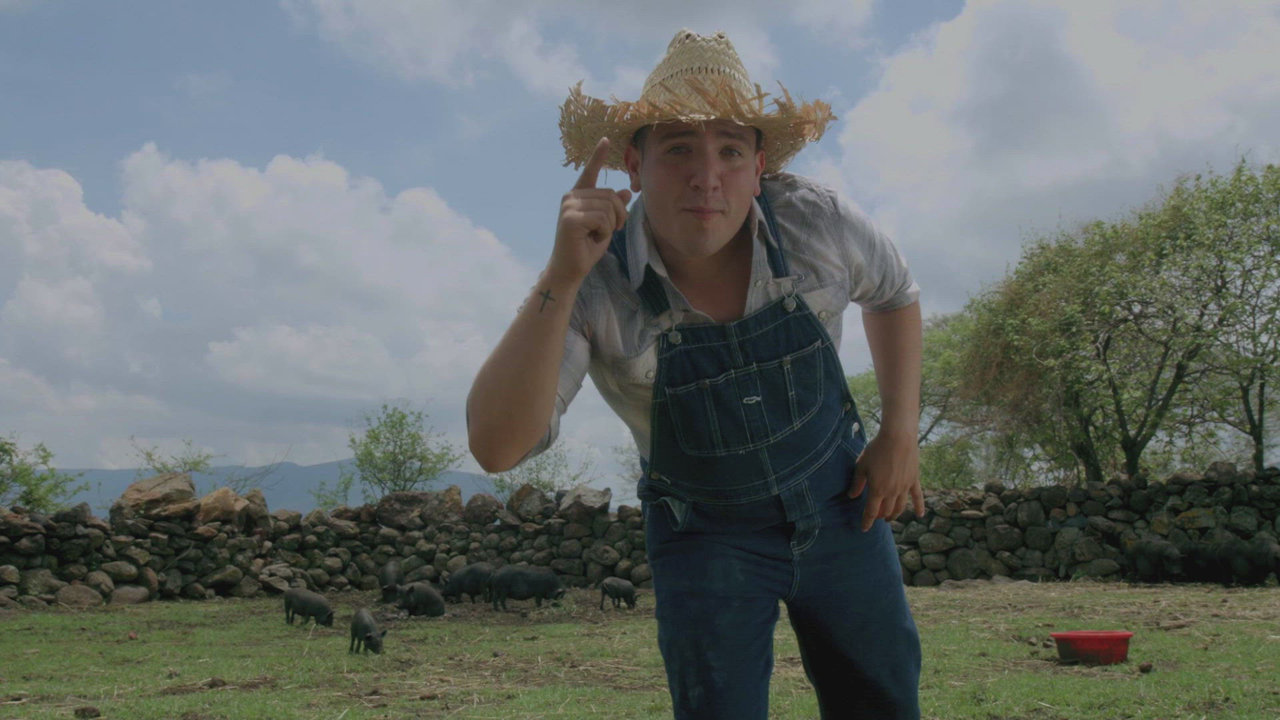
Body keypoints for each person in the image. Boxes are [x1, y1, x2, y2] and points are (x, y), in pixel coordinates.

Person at [468, 28, 923, 720]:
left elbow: (894, 294)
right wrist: (560, 276)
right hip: (702, 535)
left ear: (759, 166)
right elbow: (496, 447)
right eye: (679, 148)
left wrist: (900, 432)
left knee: (881, 703)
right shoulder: (593, 281)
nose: (707, 176)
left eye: (730, 151)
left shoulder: (818, 222)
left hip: (842, 507)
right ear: (634, 164)